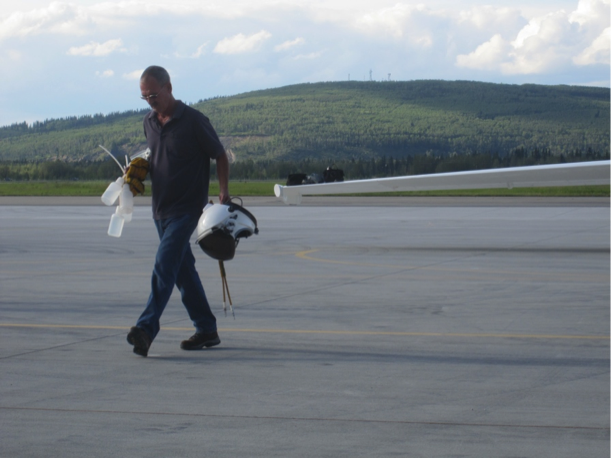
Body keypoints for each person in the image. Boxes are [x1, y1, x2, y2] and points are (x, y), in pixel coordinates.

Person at [126, 65, 230, 357]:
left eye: (154, 95)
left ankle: (146, 329)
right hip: (160, 211)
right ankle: (206, 329)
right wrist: (135, 173)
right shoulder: (149, 122)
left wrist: (223, 191)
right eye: (144, 97)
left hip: (187, 210)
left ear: (169, 87)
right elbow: (156, 158)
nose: (150, 101)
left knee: (164, 265)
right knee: (183, 272)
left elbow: (220, 154)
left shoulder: (194, 121)